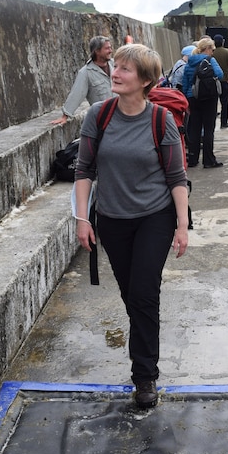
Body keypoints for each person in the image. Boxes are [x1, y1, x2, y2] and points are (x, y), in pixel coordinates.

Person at [72, 43, 189, 410]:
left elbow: (176, 177)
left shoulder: (160, 120)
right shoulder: (99, 114)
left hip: (155, 217)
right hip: (112, 219)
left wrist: (182, 226)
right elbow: (84, 170)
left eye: (125, 69)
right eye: (115, 65)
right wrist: (80, 219)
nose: (115, 72)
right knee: (130, 294)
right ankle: (144, 353)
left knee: (143, 293)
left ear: (146, 81)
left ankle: (145, 376)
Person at [50, 36, 115, 125]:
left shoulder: (116, 65)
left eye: (110, 47)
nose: (111, 51)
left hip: (123, 116)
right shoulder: (86, 72)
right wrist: (65, 116)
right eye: (107, 48)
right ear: (97, 51)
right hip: (104, 121)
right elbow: (77, 93)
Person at [181, 38, 224, 168]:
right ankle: (208, 160)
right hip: (209, 98)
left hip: (192, 97)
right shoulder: (210, 60)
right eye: (212, 49)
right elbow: (220, 74)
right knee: (208, 129)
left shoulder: (190, 61)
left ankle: (193, 159)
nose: (213, 52)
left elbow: (185, 81)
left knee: (194, 128)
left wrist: (186, 98)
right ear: (207, 48)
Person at [211, 34, 228, 129]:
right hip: (225, 81)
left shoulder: (212, 53)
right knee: (225, 103)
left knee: (213, 103)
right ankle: (224, 122)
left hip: (213, 81)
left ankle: (211, 122)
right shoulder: (227, 52)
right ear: (223, 42)